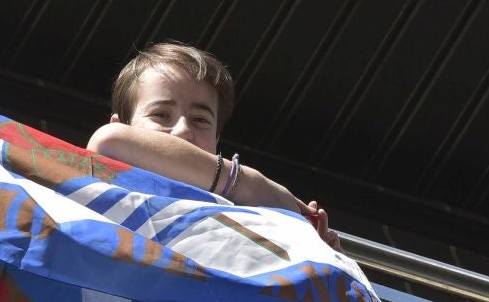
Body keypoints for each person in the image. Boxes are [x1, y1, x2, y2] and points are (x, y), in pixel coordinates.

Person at [88, 42, 341, 250]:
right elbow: (108, 142)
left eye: (200, 120)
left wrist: (316, 250)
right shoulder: (109, 156)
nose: (184, 130)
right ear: (122, 124)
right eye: (161, 115)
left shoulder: (238, 217)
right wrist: (248, 182)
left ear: (217, 140)